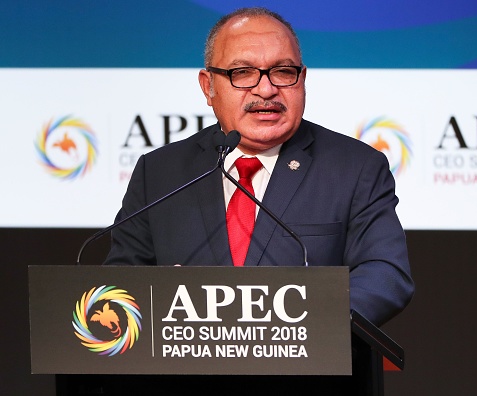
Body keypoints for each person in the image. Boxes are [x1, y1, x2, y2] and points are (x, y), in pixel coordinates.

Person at [105, 7, 414, 326]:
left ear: (302, 79)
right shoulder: (159, 173)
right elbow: (120, 285)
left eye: (282, 71)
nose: (266, 90)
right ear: (208, 86)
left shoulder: (355, 167)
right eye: (243, 73)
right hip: (187, 370)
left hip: (306, 367)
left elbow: (386, 275)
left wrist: (309, 325)